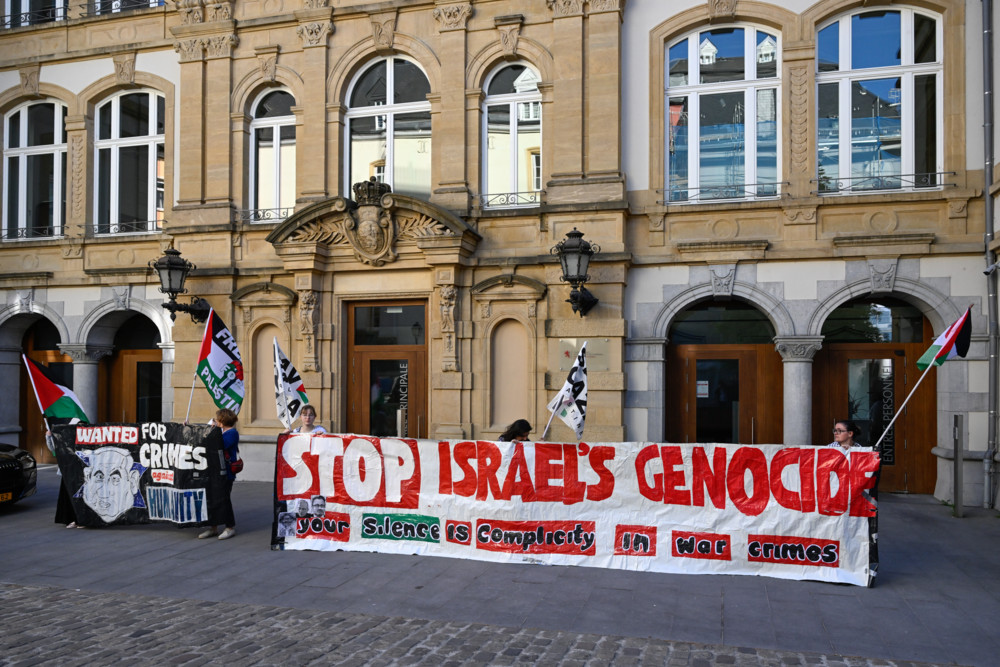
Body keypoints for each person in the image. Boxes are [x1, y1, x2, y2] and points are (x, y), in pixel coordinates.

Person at [199, 409, 239, 540]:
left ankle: (230, 527)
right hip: (215, 471)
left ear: (222, 421)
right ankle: (213, 527)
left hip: (226, 472)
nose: (215, 421)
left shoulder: (232, 433)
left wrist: (213, 431)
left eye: (217, 419)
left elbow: (219, 445)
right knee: (213, 498)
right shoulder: (222, 432)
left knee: (224, 499)